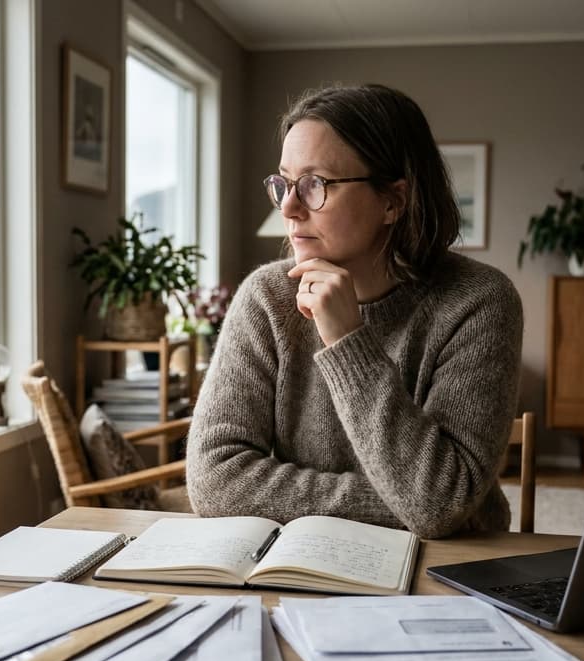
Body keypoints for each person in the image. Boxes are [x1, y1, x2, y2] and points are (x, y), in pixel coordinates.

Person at [186, 84, 523, 538]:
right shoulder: (266, 296)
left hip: (449, 569)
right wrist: (403, 503)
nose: (288, 207)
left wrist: (348, 341)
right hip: (305, 564)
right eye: (284, 183)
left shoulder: (479, 301)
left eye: (314, 184)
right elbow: (215, 484)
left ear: (393, 201)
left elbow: (440, 505)